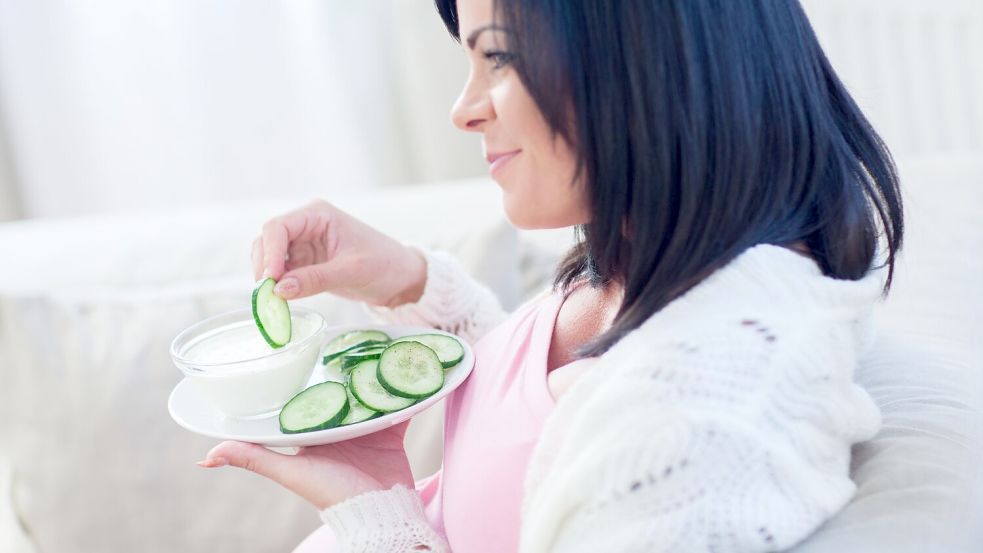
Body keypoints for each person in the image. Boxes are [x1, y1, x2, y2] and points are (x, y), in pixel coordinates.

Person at [197, 0, 904, 551]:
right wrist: (409, 281)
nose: (463, 108)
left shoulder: (696, 418)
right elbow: (539, 423)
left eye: (498, 57)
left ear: (644, 58)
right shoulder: (657, 264)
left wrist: (376, 513)